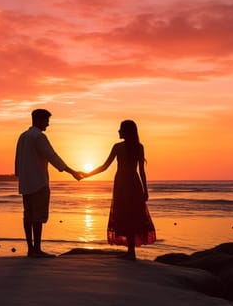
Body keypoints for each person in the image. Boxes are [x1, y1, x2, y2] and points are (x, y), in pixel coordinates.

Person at [82, 120, 156, 260]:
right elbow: (141, 171)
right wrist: (145, 190)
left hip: (122, 184)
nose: (118, 131)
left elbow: (104, 167)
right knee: (133, 215)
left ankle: (130, 252)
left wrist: (87, 175)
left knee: (125, 214)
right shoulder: (138, 147)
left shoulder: (118, 147)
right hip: (133, 183)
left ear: (126, 131)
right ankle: (131, 252)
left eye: (120, 129)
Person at [15, 109, 82, 258]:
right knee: (37, 217)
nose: (48, 124)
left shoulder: (23, 136)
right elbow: (52, 157)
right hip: (39, 182)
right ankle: (37, 249)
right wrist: (72, 172)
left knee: (28, 216)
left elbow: (17, 160)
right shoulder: (39, 137)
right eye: (46, 121)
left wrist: (21, 177)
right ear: (38, 120)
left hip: (26, 183)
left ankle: (31, 249)